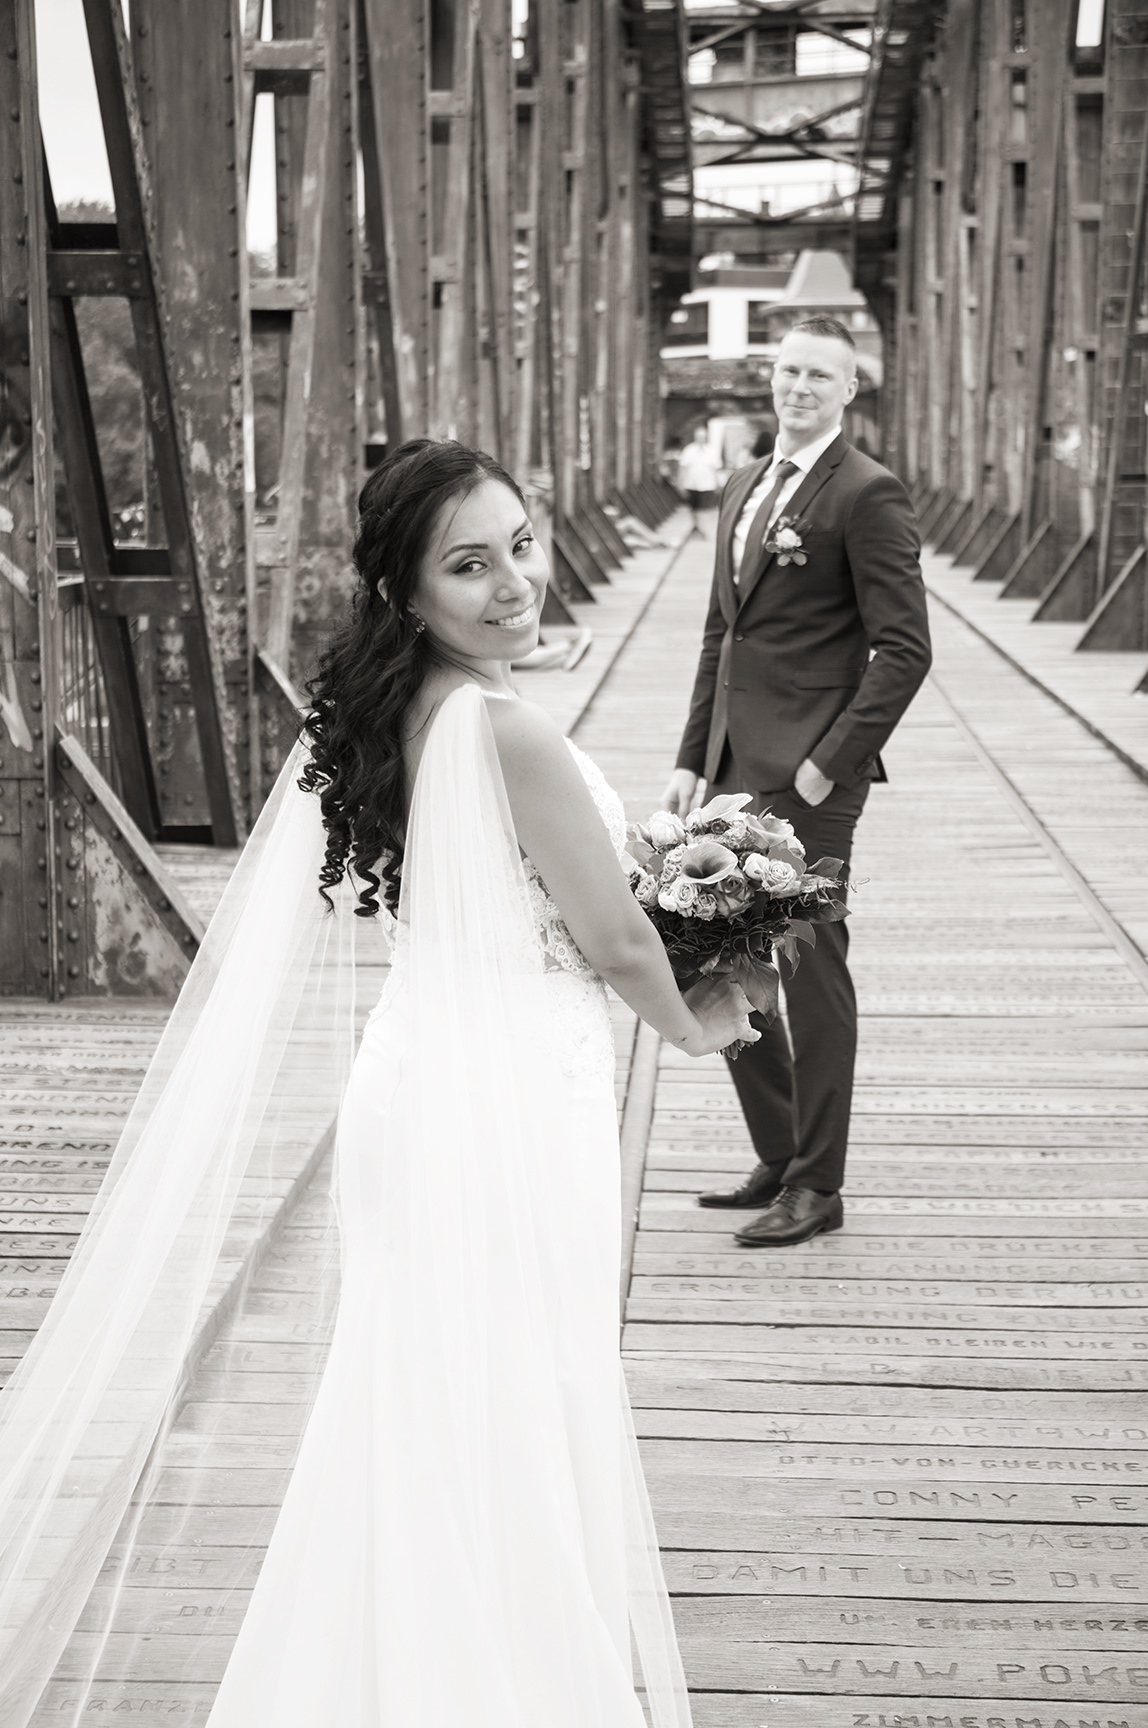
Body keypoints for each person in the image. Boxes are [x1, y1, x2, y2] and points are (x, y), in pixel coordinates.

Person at [0, 439, 755, 1727]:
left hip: (417, 1077)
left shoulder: (394, 709)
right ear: (407, 592)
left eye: (522, 544)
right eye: (471, 565)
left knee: (416, 1395)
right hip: (513, 1097)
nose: (515, 582)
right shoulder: (507, 730)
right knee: (524, 1387)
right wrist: (702, 1025)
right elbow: (619, 941)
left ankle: (385, 1673)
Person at [662, 317, 931, 1248]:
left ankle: (819, 1185)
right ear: (769, 378)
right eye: (789, 370)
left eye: (821, 374)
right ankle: (779, 1152)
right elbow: (722, 635)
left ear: (850, 389)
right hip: (733, 764)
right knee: (714, 960)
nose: (800, 386)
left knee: (811, 972)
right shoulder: (744, 485)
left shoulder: (868, 492)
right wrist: (692, 756)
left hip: (815, 775)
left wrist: (828, 763)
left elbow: (905, 650)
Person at [676, 424, 720, 535]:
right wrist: (680, 483)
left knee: (704, 508)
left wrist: (718, 483)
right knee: (694, 508)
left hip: (707, 485)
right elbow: (682, 468)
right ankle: (697, 527)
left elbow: (716, 469)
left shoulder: (712, 451)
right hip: (691, 484)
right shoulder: (689, 450)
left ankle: (702, 528)